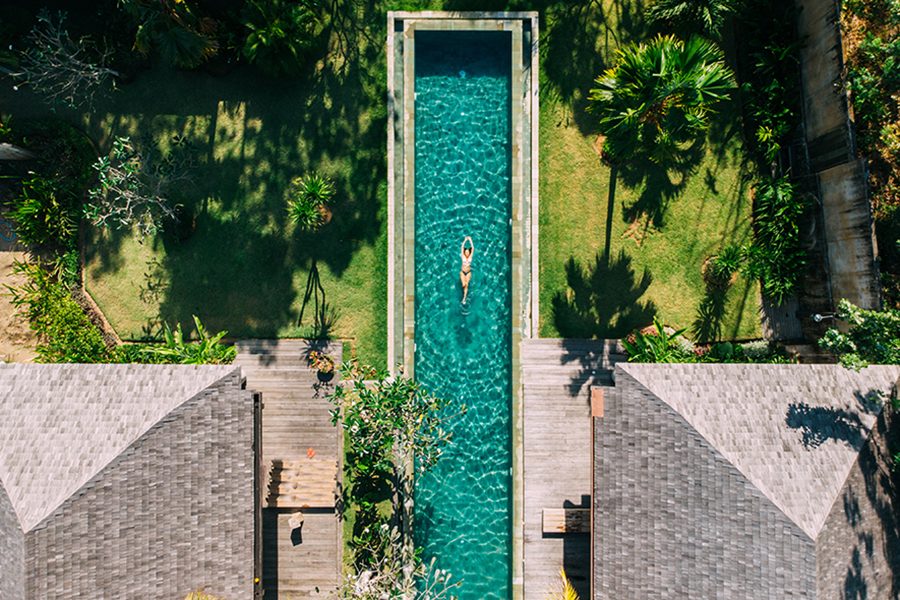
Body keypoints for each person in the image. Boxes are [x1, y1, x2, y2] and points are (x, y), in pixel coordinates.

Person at [460, 236, 474, 304]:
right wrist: (465, 240)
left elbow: (473, 248)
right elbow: (462, 247)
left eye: (468, 251)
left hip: (468, 272)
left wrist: (470, 240)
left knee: (466, 285)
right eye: (466, 251)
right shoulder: (463, 256)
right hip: (462, 272)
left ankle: (464, 298)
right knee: (463, 285)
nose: (467, 252)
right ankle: (464, 294)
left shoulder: (470, 257)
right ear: (464, 252)